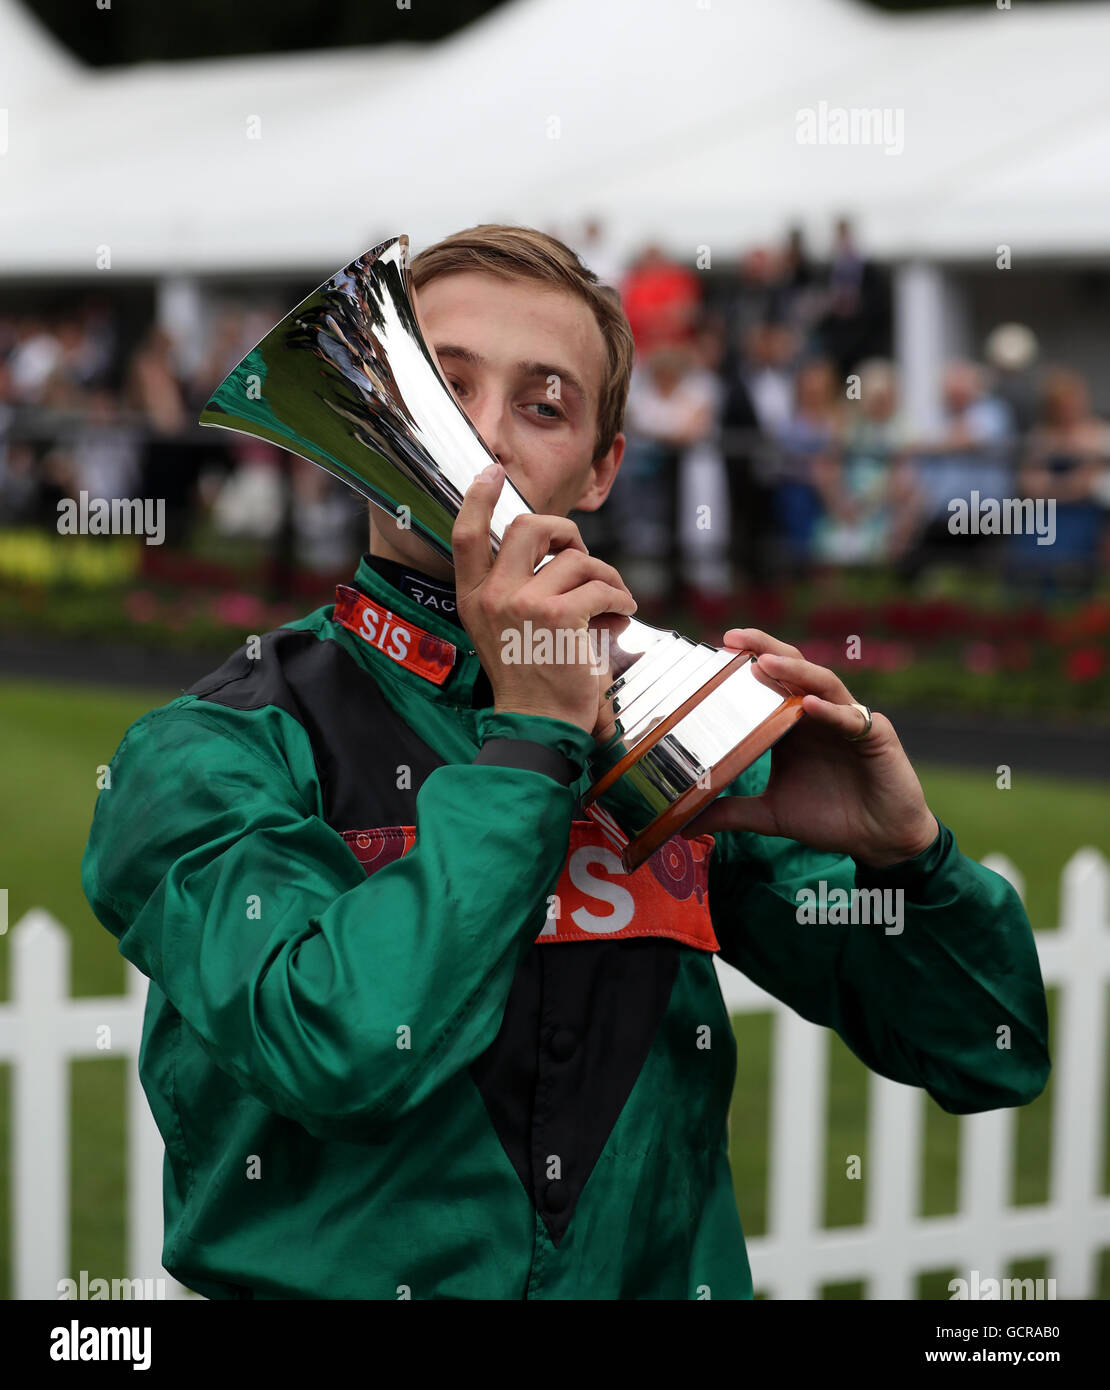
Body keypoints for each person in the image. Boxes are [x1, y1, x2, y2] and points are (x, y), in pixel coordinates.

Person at [82, 224, 1050, 1301]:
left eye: (543, 404)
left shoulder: (671, 721)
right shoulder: (203, 750)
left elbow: (986, 1050)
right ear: (358, 417)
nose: (485, 438)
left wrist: (908, 860)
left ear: (601, 470)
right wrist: (533, 739)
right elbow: (337, 1047)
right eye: (439, 387)